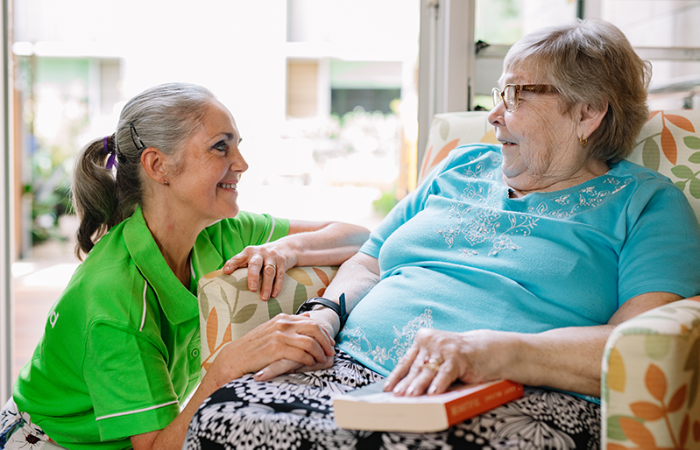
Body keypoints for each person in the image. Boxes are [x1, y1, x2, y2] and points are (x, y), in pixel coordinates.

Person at [183, 19, 700, 449]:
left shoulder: (646, 203)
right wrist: (326, 311)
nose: (493, 115)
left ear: (588, 112)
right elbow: (369, 259)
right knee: (222, 414)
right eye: (499, 93)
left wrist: (496, 351)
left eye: (516, 95)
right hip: (347, 370)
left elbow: (636, 345)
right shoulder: (462, 166)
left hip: (507, 394)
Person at [0, 83, 370, 450]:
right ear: (159, 165)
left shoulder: (218, 233)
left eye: (238, 146)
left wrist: (288, 249)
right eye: (220, 147)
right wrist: (227, 366)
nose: (241, 164)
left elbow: (358, 237)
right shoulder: (115, 299)